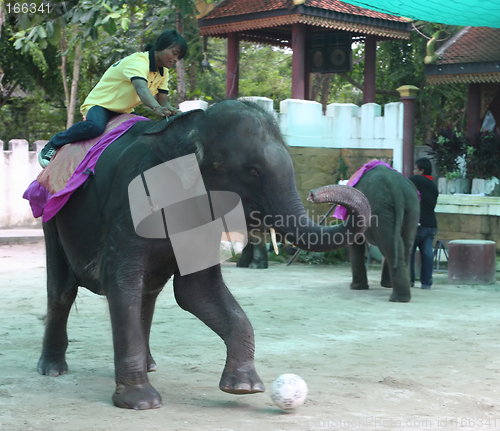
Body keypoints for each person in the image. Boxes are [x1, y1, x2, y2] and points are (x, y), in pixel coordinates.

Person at [38, 29, 188, 167]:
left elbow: (163, 101)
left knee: (144, 129)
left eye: (179, 57)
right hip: (101, 105)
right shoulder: (138, 62)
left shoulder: (163, 72)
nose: (176, 59)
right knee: (94, 127)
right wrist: (156, 108)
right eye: (174, 53)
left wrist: (175, 113)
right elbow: (141, 89)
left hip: (123, 110)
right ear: (161, 46)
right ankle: (54, 144)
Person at [409, 157, 439, 289]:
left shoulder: (416, 180)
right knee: (427, 255)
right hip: (431, 226)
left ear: (421, 170)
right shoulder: (434, 186)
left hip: (417, 225)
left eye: (415, 168)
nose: (413, 171)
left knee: (409, 253)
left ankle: (409, 281)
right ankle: (426, 283)